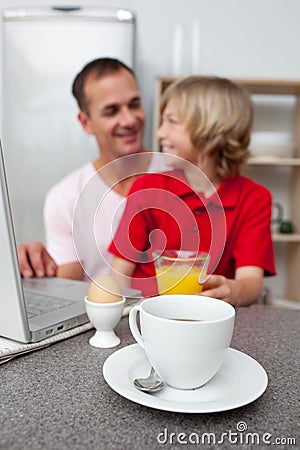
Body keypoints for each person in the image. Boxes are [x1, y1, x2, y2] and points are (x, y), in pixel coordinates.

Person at [109, 75, 276, 306]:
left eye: (172, 121)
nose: (159, 133)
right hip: (144, 315)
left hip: (206, 317)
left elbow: (251, 283)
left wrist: (233, 291)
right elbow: (118, 276)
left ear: (211, 130)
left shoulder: (254, 199)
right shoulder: (147, 189)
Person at [17, 57, 165, 281]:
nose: (129, 120)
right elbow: (68, 284)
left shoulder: (182, 176)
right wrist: (38, 268)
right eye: (111, 111)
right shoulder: (65, 197)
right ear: (86, 122)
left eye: (134, 104)